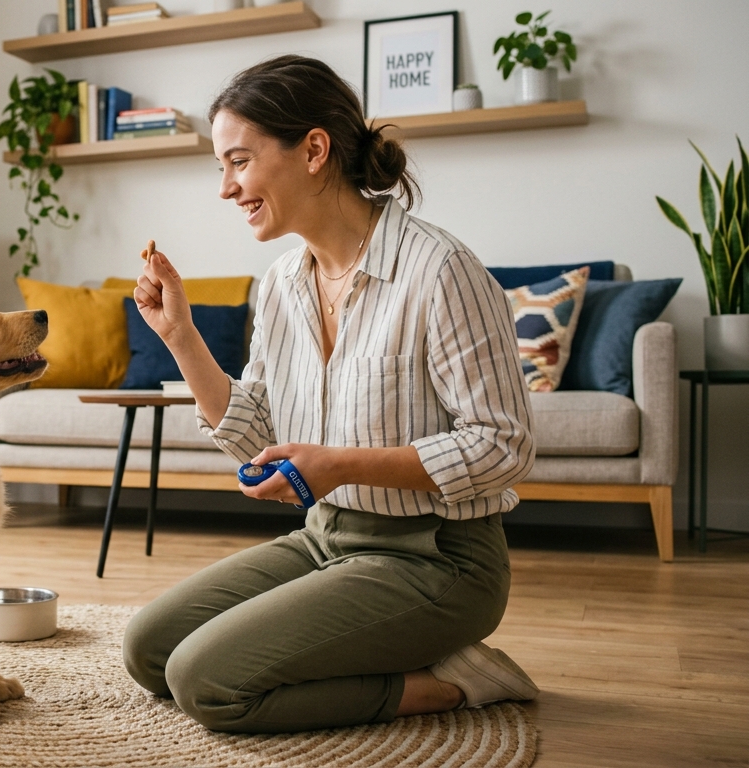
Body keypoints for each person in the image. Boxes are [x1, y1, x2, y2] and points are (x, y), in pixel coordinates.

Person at [122, 54, 540, 734]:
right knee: (149, 650)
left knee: (206, 682)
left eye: (239, 161)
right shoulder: (283, 283)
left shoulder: (440, 270)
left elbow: (504, 447)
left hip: (440, 558)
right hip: (326, 538)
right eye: (220, 168)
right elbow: (256, 432)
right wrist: (180, 336)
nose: (226, 188)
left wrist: (339, 465)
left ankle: (448, 682)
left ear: (314, 149)